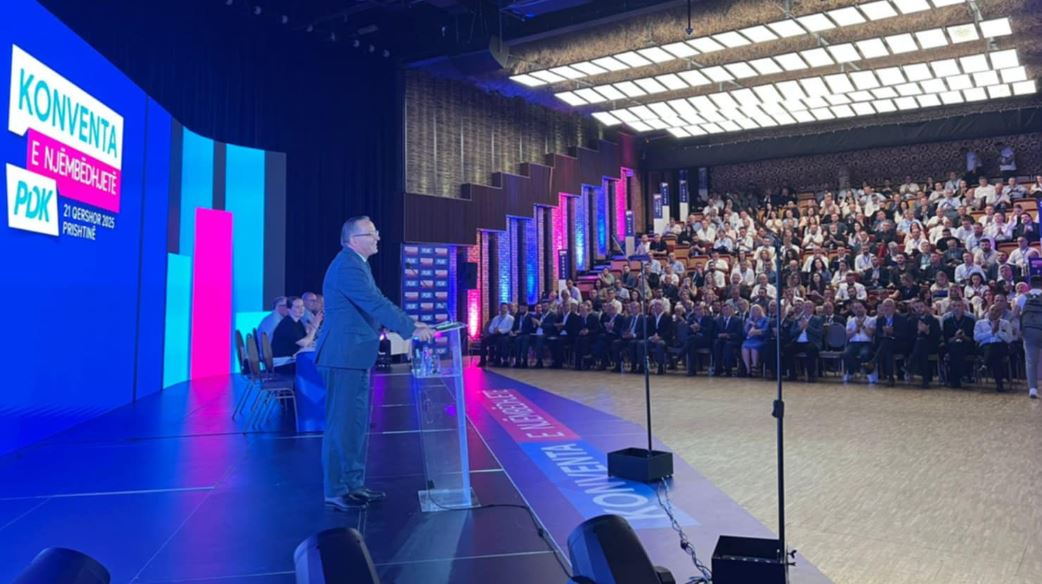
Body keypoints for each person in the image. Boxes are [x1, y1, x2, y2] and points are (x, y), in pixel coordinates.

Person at [315, 215, 432, 511]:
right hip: (343, 356)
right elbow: (374, 303)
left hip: (354, 356)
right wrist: (409, 329)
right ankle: (336, 490)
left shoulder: (358, 264)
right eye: (371, 233)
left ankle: (353, 484)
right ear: (354, 240)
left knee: (354, 425)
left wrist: (411, 322)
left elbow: (377, 300)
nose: (378, 237)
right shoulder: (347, 265)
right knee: (341, 425)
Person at [974, 305, 1013, 392]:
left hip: (1001, 346)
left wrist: (998, 331)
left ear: (1000, 313)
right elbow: (976, 337)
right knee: (995, 356)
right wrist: (991, 332)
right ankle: (999, 384)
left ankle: (985, 365)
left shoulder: (1005, 323)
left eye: (997, 311)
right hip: (984, 347)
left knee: (995, 348)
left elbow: (1009, 339)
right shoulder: (980, 323)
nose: (994, 312)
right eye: (992, 310)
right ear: (988, 311)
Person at [1015, 275, 1042, 399]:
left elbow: (1015, 314)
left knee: (1031, 361)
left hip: (1029, 330)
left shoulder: (1022, 297)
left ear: (1030, 285)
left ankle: (1032, 389)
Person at [740, 304, 769, 376]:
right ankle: (748, 369)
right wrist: (747, 325)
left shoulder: (765, 319)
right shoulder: (748, 319)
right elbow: (744, 333)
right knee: (745, 347)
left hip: (759, 339)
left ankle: (755, 367)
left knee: (754, 348)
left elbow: (765, 330)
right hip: (750, 339)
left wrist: (755, 326)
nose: (755, 311)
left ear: (760, 311)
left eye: (757, 310)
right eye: (753, 310)